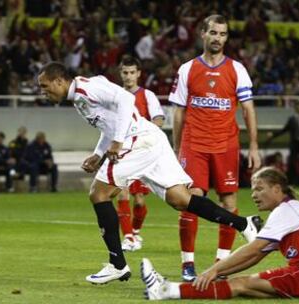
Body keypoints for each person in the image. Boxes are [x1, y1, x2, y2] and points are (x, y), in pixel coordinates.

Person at [37, 61, 262, 285]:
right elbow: (109, 125)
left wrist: (116, 143)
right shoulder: (78, 98)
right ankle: (244, 224)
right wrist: (99, 154)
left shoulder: (89, 87)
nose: (43, 92)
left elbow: (126, 99)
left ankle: (117, 265)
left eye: (45, 86)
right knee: (180, 199)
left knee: (99, 194)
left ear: (59, 81)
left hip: (138, 141)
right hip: (150, 139)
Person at [169, 14, 261, 282]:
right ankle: (188, 264)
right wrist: (177, 149)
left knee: (229, 202)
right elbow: (178, 112)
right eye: (213, 33)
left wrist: (253, 145)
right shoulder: (187, 69)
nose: (218, 38)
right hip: (194, 144)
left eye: (222, 34)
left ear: (226, 37)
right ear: (203, 34)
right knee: (191, 200)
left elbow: (248, 109)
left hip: (226, 145)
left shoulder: (237, 69)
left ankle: (221, 263)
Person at [141, 166, 299, 300]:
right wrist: (220, 272)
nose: (254, 195)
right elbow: (256, 255)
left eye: (259, 189)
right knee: (248, 289)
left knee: (240, 285)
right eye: (253, 190)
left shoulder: (286, 211)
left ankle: (165, 290)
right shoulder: (290, 210)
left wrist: (214, 270)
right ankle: (167, 289)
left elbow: (254, 248)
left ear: (277, 189)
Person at [116, 55, 165, 251]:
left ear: (138, 74)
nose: (128, 76)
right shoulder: (116, 95)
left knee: (139, 199)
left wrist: (147, 134)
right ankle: (128, 238)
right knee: (122, 193)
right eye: (125, 73)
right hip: (122, 152)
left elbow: (159, 118)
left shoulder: (147, 95)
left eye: (132, 73)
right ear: (121, 74)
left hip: (143, 153)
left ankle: (135, 232)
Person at [266, 100, 299, 185]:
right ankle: (292, 182)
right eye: (296, 107)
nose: (298, 108)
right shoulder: (292, 119)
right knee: (291, 162)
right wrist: (273, 135)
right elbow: (284, 130)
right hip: (294, 143)